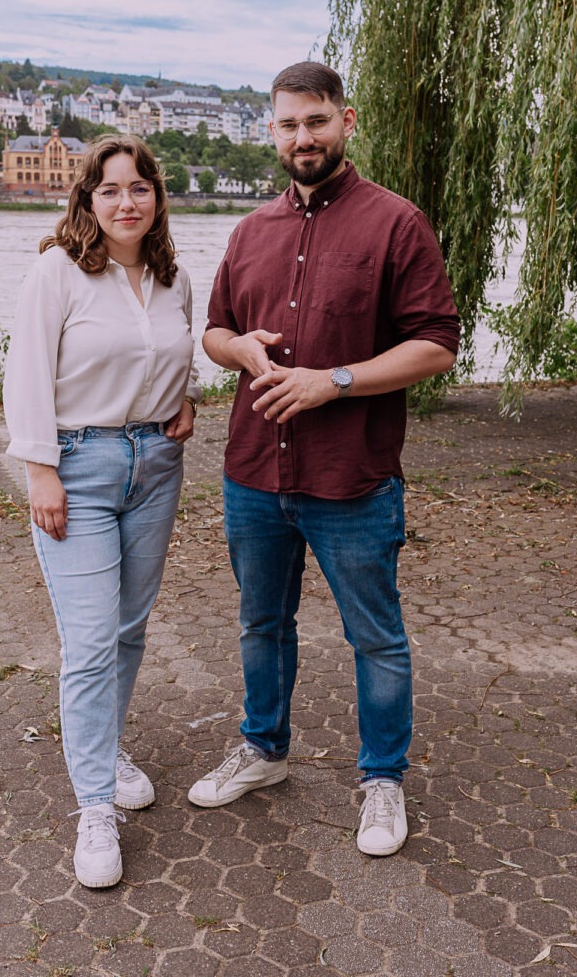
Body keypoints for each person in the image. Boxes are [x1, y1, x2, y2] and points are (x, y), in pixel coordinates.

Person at [187, 62, 459, 856]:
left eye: (316, 121)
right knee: (260, 623)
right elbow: (213, 334)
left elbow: (437, 346)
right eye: (287, 124)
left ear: (346, 121)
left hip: (353, 477)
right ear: (269, 131)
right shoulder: (250, 231)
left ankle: (382, 781)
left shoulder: (396, 224)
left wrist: (333, 382)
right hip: (253, 474)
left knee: (374, 636)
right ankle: (264, 751)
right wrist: (240, 347)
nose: (302, 137)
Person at [3, 134, 200, 888]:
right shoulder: (59, 271)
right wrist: (40, 470)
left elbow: (168, 356)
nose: (127, 202)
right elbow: (26, 372)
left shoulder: (172, 277)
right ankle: (94, 808)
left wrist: (182, 398)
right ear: (87, 200)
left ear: (157, 198)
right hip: (77, 471)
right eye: (110, 189)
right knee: (88, 640)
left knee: (126, 631)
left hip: (153, 467)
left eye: (139, 188)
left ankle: (107, 747)